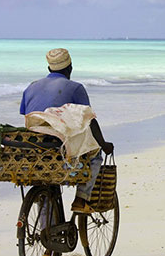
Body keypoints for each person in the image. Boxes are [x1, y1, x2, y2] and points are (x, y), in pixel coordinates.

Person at [20, 48, 114, 216]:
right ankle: (81, 199)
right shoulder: (75, 88)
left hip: (35, 145)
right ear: (70, 68)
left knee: (45, 186)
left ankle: (43, 230)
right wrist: (103, 144)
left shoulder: (31, 87)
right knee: (96, 155)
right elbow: (89, 119)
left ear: (49, 69)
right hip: (60, 144)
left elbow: (27, 115)